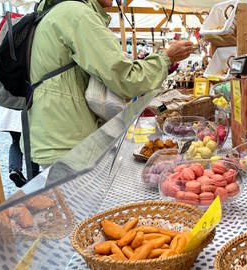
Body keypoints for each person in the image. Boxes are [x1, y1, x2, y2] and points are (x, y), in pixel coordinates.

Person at [28, 0, 193, 166]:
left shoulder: (58, 12)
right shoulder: (77, 15)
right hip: (69, 143)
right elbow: (125, 78)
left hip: (56, 137)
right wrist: (166, 57)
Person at [0, 107, 40, 187]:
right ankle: (34, 172)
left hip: (9, 116)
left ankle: (14, 169)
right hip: (24, 115)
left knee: (16, 142)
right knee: (31, 142)